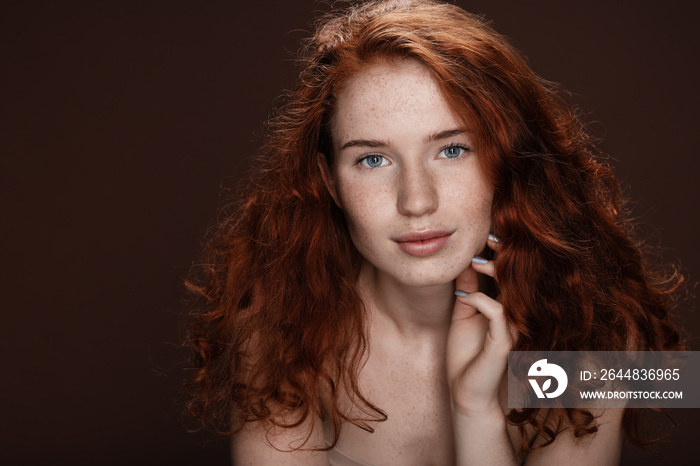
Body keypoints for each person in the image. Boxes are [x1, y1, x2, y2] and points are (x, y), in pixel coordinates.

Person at [185, 0, 684, 464]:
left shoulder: (599, 338)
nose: (417, 201)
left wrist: (475, 412)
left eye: (452, 150)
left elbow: (672, 382)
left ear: (506, 160)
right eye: (373, 159)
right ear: (329, 183)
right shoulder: (279, 332)